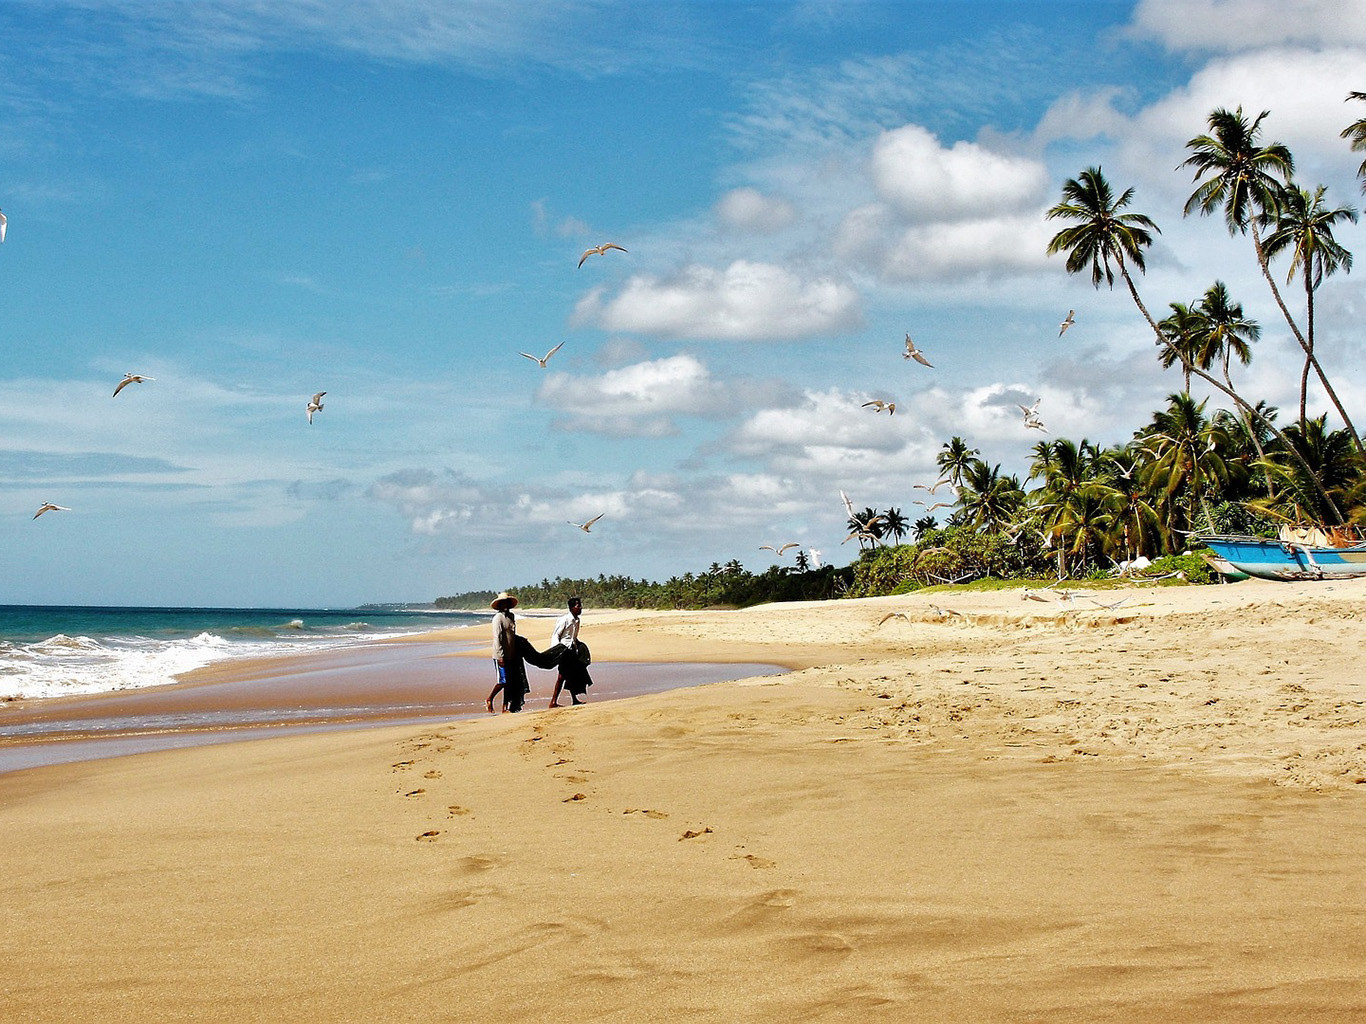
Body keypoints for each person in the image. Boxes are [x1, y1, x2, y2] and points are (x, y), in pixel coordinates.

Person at [549, 596, 594, 707]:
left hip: (572, 651)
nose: (581, 608)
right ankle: (553, 702)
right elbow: (556, 635)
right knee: (562, 676)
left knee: (571, 675)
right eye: (578, 606)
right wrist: (555, 651)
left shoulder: (577, 620)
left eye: (580, 605)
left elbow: (574, 637)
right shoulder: (564, 620)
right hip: (563, 651)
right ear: (571, 607)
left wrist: (579, 647)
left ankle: (574, 700)